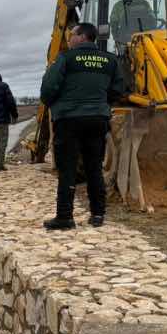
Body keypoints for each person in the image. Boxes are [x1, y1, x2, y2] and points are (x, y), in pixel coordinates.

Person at [39, 22, 126, 229]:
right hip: (97, 119)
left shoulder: (65, 58)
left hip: (68, 119)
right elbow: (118, 89)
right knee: (94, 166)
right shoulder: (110, 60)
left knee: (67, 168)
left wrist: (56, 105)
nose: (68, 39)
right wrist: (101, 104)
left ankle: (65, 217)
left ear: (82, 36)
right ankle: (98, 214)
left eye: (71, 35)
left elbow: (48, 88)